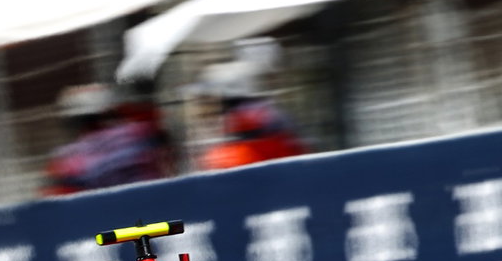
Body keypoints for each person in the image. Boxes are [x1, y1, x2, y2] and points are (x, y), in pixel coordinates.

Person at [42, 84, 172, 195]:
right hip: (161, 214)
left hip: (103, 222)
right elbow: (156, 119)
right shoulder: (141, 132)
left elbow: (57, 199)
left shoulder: (66, 159)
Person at [195, 57, 307, 171]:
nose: (207, 110)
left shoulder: (249, 115)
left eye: (211, 99)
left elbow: (246, 157)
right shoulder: (266, 112)